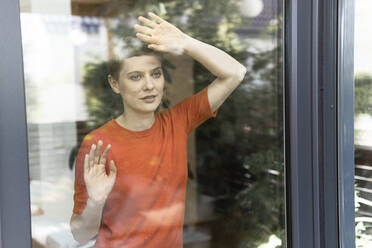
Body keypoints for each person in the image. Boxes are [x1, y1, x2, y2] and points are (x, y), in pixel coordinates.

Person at [70, 12, 247, 248]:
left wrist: (186, 43)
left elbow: (235, 73)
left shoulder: (178, 122)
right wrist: (96, 201)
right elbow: (81, 235)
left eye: (155, 74)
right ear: (115, 84)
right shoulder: (98, 143)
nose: (149, 85)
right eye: (136, 77)